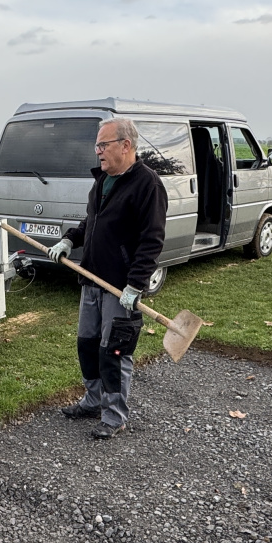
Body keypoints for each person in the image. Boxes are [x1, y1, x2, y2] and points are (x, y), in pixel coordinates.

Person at [49, 116, 168, 439]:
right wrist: (69, 240)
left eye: (103, 145)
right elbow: (92, 221)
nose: (98, 151)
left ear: (125, 145)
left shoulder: (148, 185)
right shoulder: (102, 180)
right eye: (97, 146)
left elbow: (152, 240)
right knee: (87, 345)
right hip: (91, 279)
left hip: (119, 287)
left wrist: (135, 284)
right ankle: (93, 400)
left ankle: (114, 416)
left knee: (113, 352)